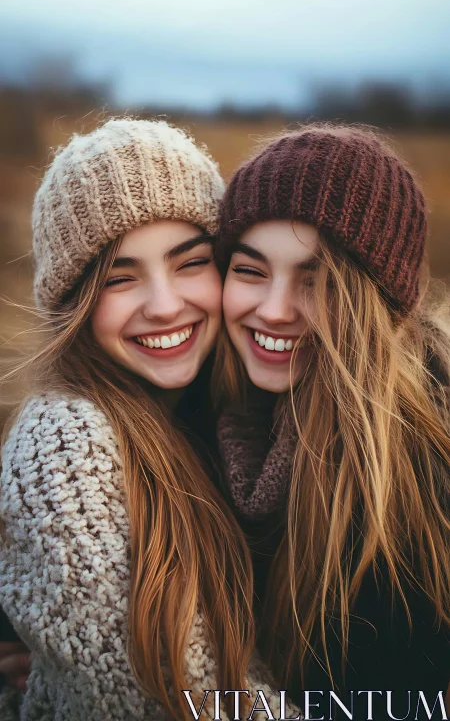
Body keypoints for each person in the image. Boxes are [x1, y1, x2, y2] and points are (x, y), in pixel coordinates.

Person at [0, 119, 296, 721]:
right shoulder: (65, 439)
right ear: (74, 302)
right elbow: (162, 695)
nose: (164, 305)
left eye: (190, 263)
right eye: (120, 277)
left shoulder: (230, 413)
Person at [215, 125, 450, 718]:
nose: (273, 309)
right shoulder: (213, 404)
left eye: (316, 280)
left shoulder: (414, 484)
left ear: (373, 304)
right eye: (249, 270)